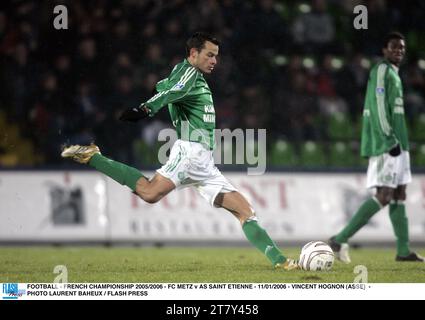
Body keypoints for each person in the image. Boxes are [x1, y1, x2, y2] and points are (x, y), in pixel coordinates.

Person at [62, 32, 299, 270]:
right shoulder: (190, 74)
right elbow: (172, 91)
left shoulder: (191, 76)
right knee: (150, 192)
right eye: (209, 55)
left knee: (246, 212)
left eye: (216, 56)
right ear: (193, 53)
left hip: (205, 162)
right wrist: (146, 109)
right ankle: (94, 157)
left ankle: (282, 262)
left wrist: (159, 94)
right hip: (190, 153)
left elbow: (169, 88)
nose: (214, 61)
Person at [329, 32, 424, 263]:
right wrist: (388, 138)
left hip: (400, 144)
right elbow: (379, 106)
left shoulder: (394, 73)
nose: (398, 51)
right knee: (384, 195)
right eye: (394, 47)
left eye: (401, 48)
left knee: (400, 194)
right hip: (387, 143)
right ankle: (340, 239)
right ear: (384, 50)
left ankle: (403, 251)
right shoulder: (381, 70)